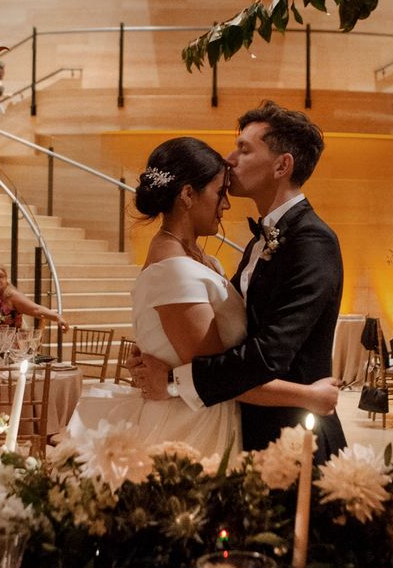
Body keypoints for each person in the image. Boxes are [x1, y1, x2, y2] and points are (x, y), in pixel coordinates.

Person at [70, 136, 340, 457]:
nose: (225, 205)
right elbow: (222, 378)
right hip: (192, 427)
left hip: (206, 416)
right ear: (187, 195)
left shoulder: (200, 258)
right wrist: (309, 396)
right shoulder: (175, 271)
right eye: (219, 192)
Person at [132, 102, 349, 461]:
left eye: (245, 149)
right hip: (247, 432)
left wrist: (172, 379)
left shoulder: (312, 241)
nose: (230, 159)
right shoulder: (258, 242)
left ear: (282, 165)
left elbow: (268, 355)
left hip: (294, 439)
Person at [0, 262, 68, 330]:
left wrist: (57, 317)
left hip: (11, 349)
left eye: (1, 276)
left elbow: (36, 309)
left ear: (6, 279)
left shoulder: (12, 297)